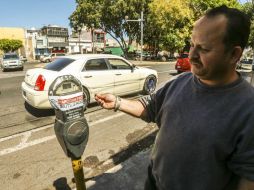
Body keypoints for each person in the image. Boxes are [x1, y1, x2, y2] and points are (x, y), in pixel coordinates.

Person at [95, 5, 254, 190]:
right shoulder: (181, 81)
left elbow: (248, 178)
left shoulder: (248, 109)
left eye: (204, 49)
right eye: (192, 44)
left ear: (234, 54)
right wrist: (117, 102)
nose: (192, 55)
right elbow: (150, 108)